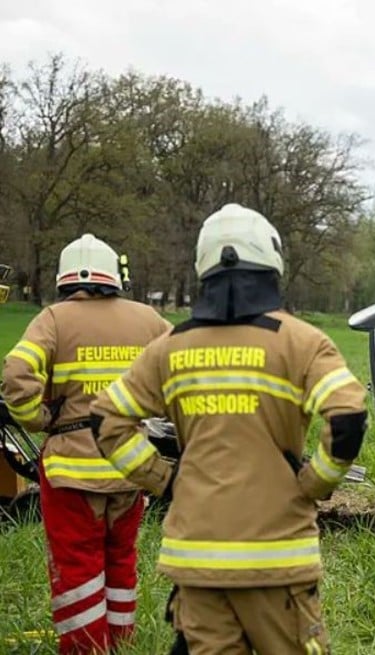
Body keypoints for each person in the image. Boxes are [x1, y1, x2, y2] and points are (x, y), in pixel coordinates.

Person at [89, 203, 368, 654]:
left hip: (196, 562)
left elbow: (107, 419)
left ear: (204, 267)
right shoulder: (301, 341)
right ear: (270, 260)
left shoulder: (169, 348)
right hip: (278, 563)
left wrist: (166, 480)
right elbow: (349, 416)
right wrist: (315, 482)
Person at [1, 234, 172, 654]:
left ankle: (85, 648)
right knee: (120, 559)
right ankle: (121, 643)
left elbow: (15, 376)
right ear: (114, 275)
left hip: (73, 471)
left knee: (78, 567)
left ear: (64, 277)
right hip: (131, 467)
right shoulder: (149, 319)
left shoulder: (54, 319)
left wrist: (40, 419)